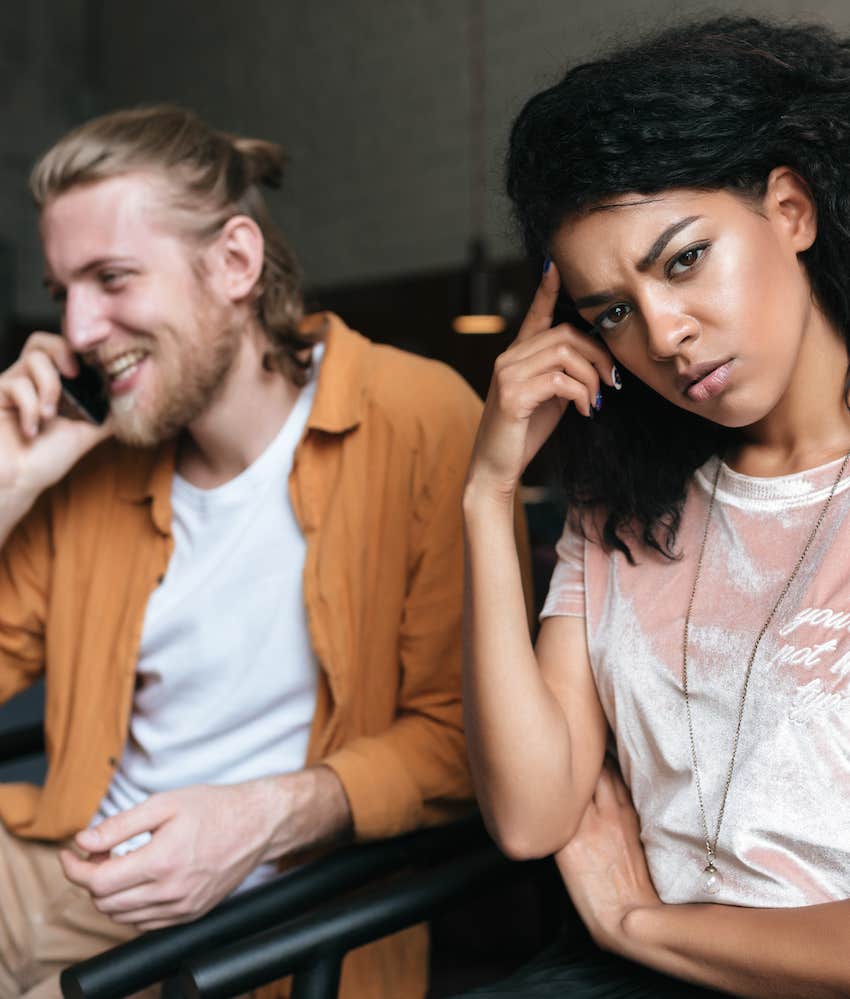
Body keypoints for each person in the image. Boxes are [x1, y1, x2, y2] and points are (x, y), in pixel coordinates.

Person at [0, 104, 485, 999]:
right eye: (62, 289)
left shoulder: (419, 417)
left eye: (110, 278)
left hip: (257, 917)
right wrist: (9, 482)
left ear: (234, 262)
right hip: (58, 859)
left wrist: (264, 818)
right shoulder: (96, 460)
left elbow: (467, 738)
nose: (75, 329)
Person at [461, 16, 850, 998]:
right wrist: (486, 492)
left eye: (683, 260)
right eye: (612, 311)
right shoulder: (623, 507)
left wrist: (642, 926)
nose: (665, 333)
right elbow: (531, 814)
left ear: (792, 209)